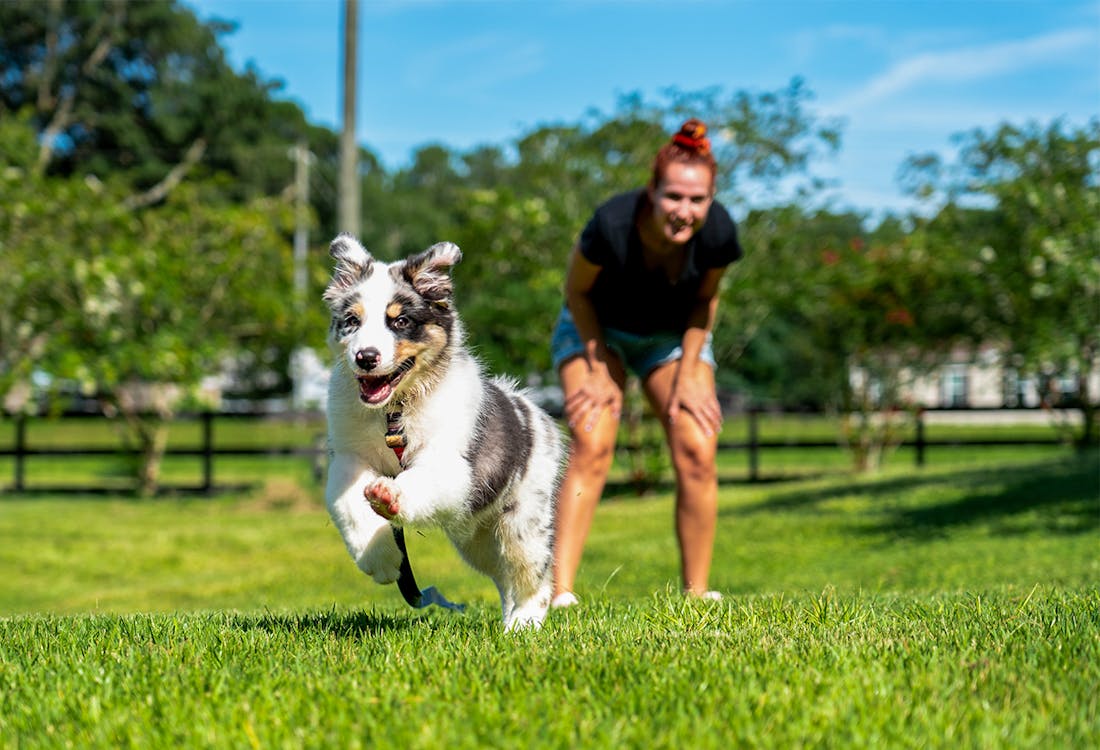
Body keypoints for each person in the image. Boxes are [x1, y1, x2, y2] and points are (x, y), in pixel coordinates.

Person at [549, 118, 743, 607]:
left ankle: (696, 593)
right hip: (595, 325)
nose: (685, 211)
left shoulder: (718, 232)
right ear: (652, 191)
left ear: (711, 199)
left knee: (698, 444)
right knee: (593, 438)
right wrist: (595, 366)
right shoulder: (611, 224)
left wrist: (694, 370)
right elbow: (575, 291)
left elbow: (705, 302)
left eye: (697, 200)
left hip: (671, 338)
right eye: (673, 197)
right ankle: (556, 593)